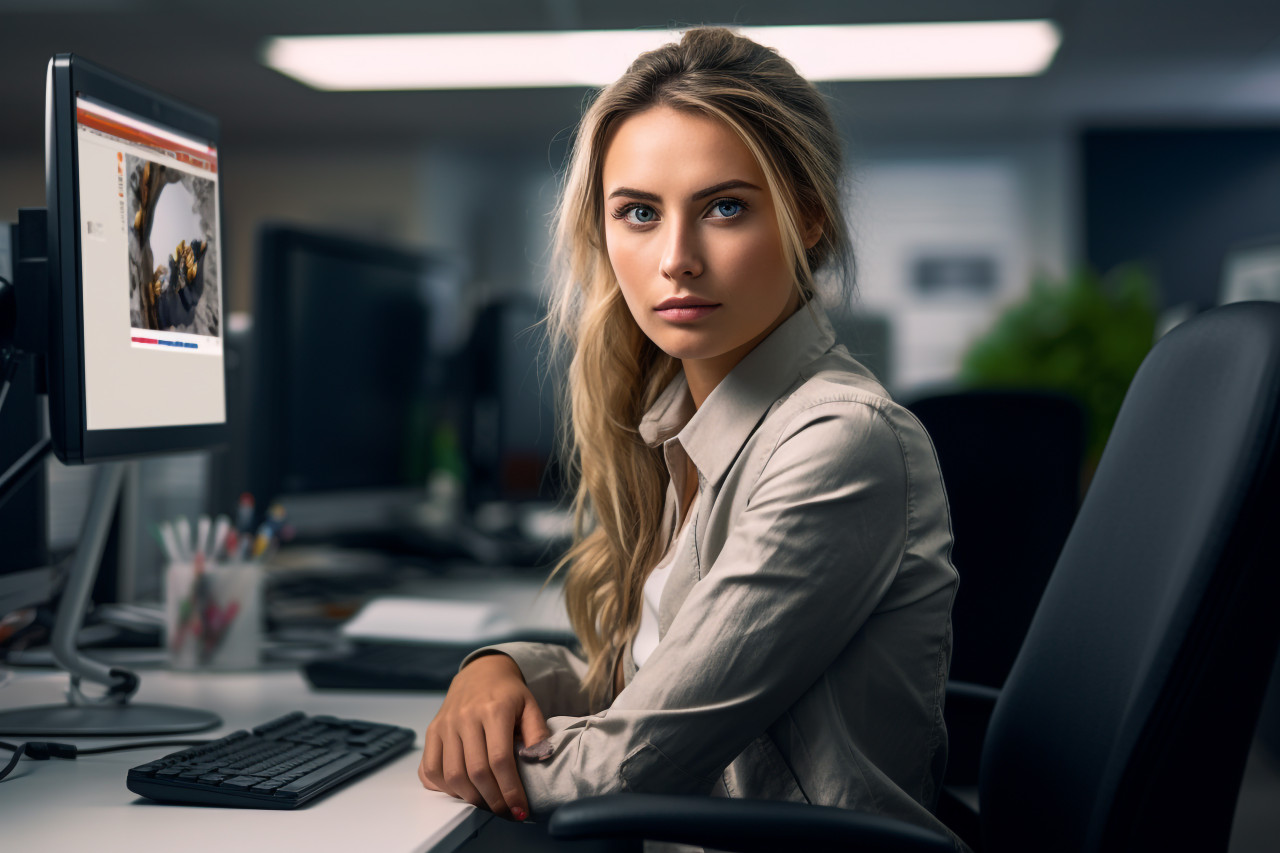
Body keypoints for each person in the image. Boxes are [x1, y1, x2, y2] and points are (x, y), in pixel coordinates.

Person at [418, 25, 961, 847]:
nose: (676, 258)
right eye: (638, 213)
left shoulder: (835, 442)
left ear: (807, 217)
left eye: (725, 208)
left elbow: (632, 757)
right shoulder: (685, 424)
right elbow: (650, 684)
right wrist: (502, 671)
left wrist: (454, 764)